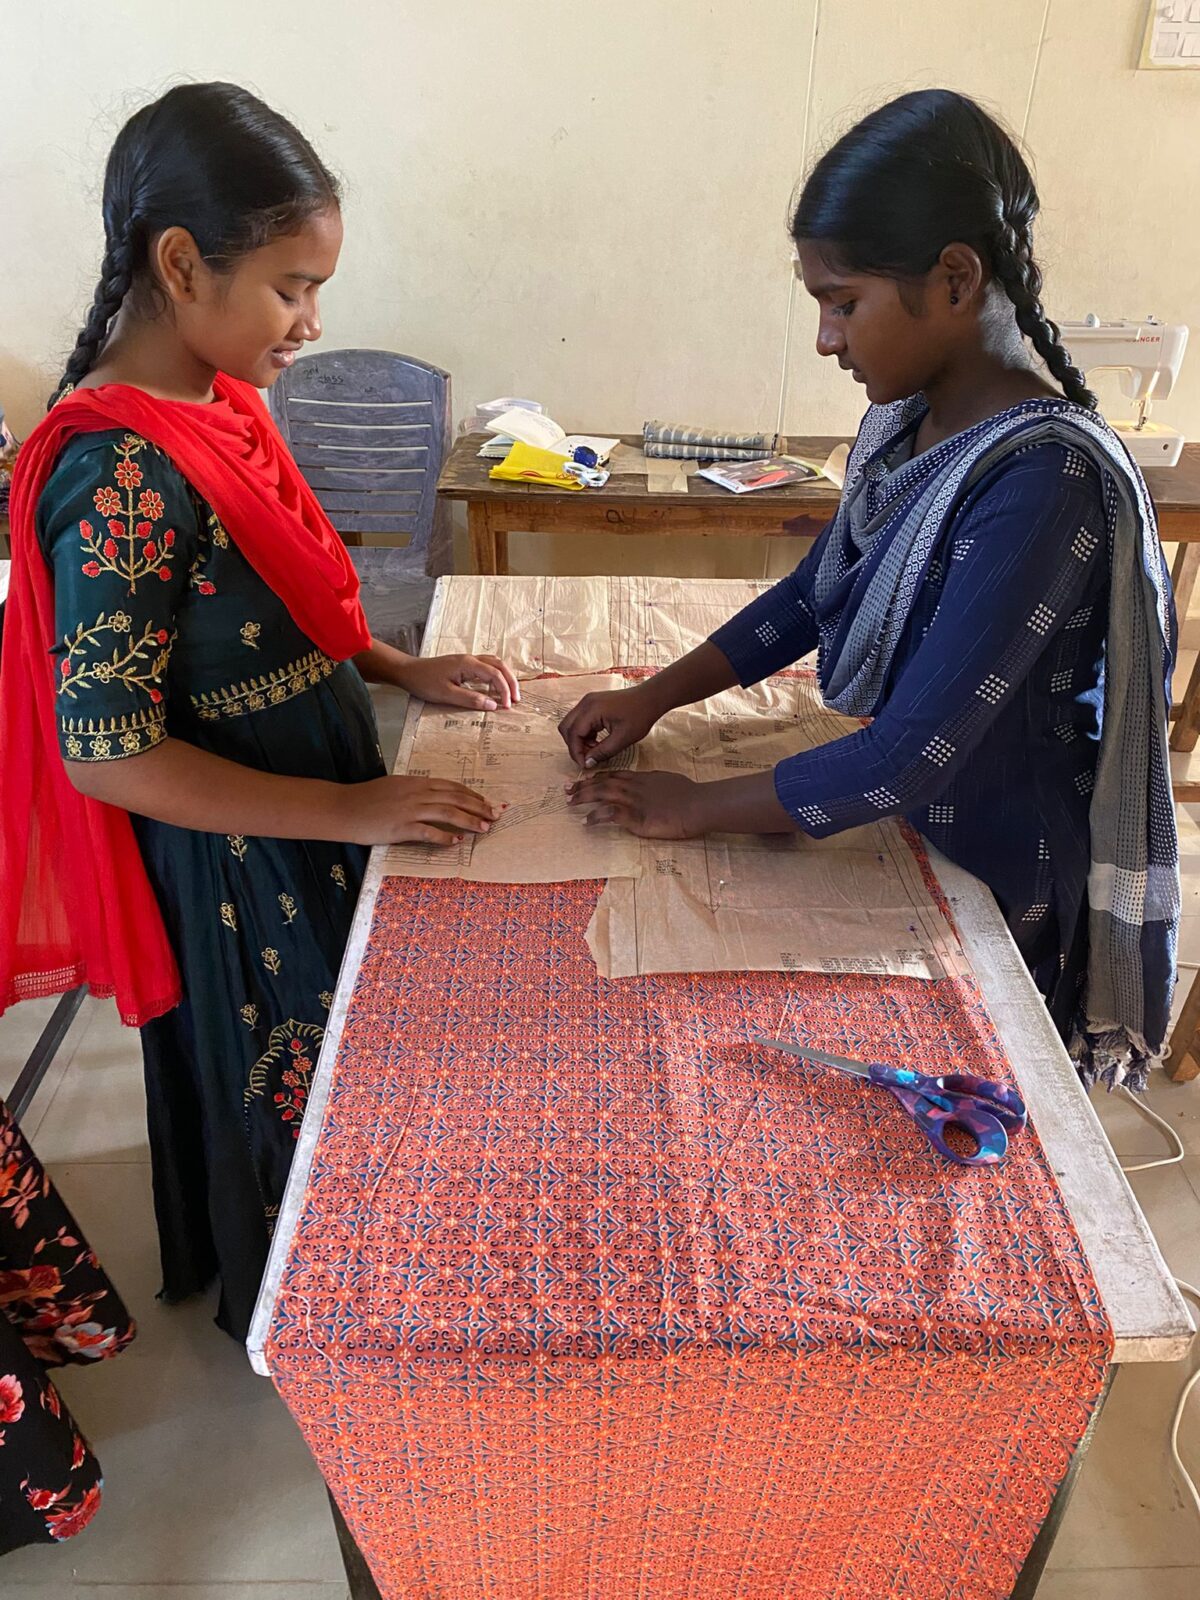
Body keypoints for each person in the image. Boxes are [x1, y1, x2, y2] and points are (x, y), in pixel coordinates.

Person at [0, 82, 517, 1341]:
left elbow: (283, 600)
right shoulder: (118, 471)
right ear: (182, 264)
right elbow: (111, 755)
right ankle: (316, 1321)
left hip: (308, 790)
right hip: (239, 846)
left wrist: (398, 670)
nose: (310, 322)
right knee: (290, 1064)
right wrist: (351, 807)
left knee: (344, 1044)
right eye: (292, 285)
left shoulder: (217, 404)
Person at [561, 89, 1178, 1091]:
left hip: (1001, 869)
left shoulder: (1041, 481)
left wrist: (693, 806)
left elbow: (907, 758)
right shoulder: (912, 423)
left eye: (841, 301)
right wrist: (655, 695)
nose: (826, 339)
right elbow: (818, 590)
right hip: (918, 828)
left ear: (954, 280)